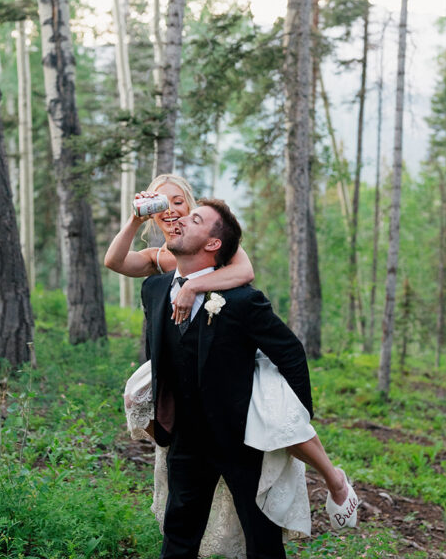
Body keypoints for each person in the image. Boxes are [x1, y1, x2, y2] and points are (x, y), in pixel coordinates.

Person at [108, 199, 325, 559]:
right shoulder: (155, 291)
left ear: (212, 244)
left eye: (195, 219)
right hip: (186, 439)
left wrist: (291, 419)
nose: (180, 219)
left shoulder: (243, 301)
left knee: (261, 538)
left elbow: (290, 353)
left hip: (241, 440)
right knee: (178, 530)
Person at [104, 175, 358, 534]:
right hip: (185, 359)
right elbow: (114, 261)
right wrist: (134, 219)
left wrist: (193, 285)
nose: (172, 210)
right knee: (137, 394)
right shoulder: (159, 256)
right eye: (162, 204)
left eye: (179, 202)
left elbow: (245, 271)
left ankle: (334, 480)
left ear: (190, 205)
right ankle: (175, 438)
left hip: (231, 350)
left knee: (281, 419)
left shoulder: (212, 239)